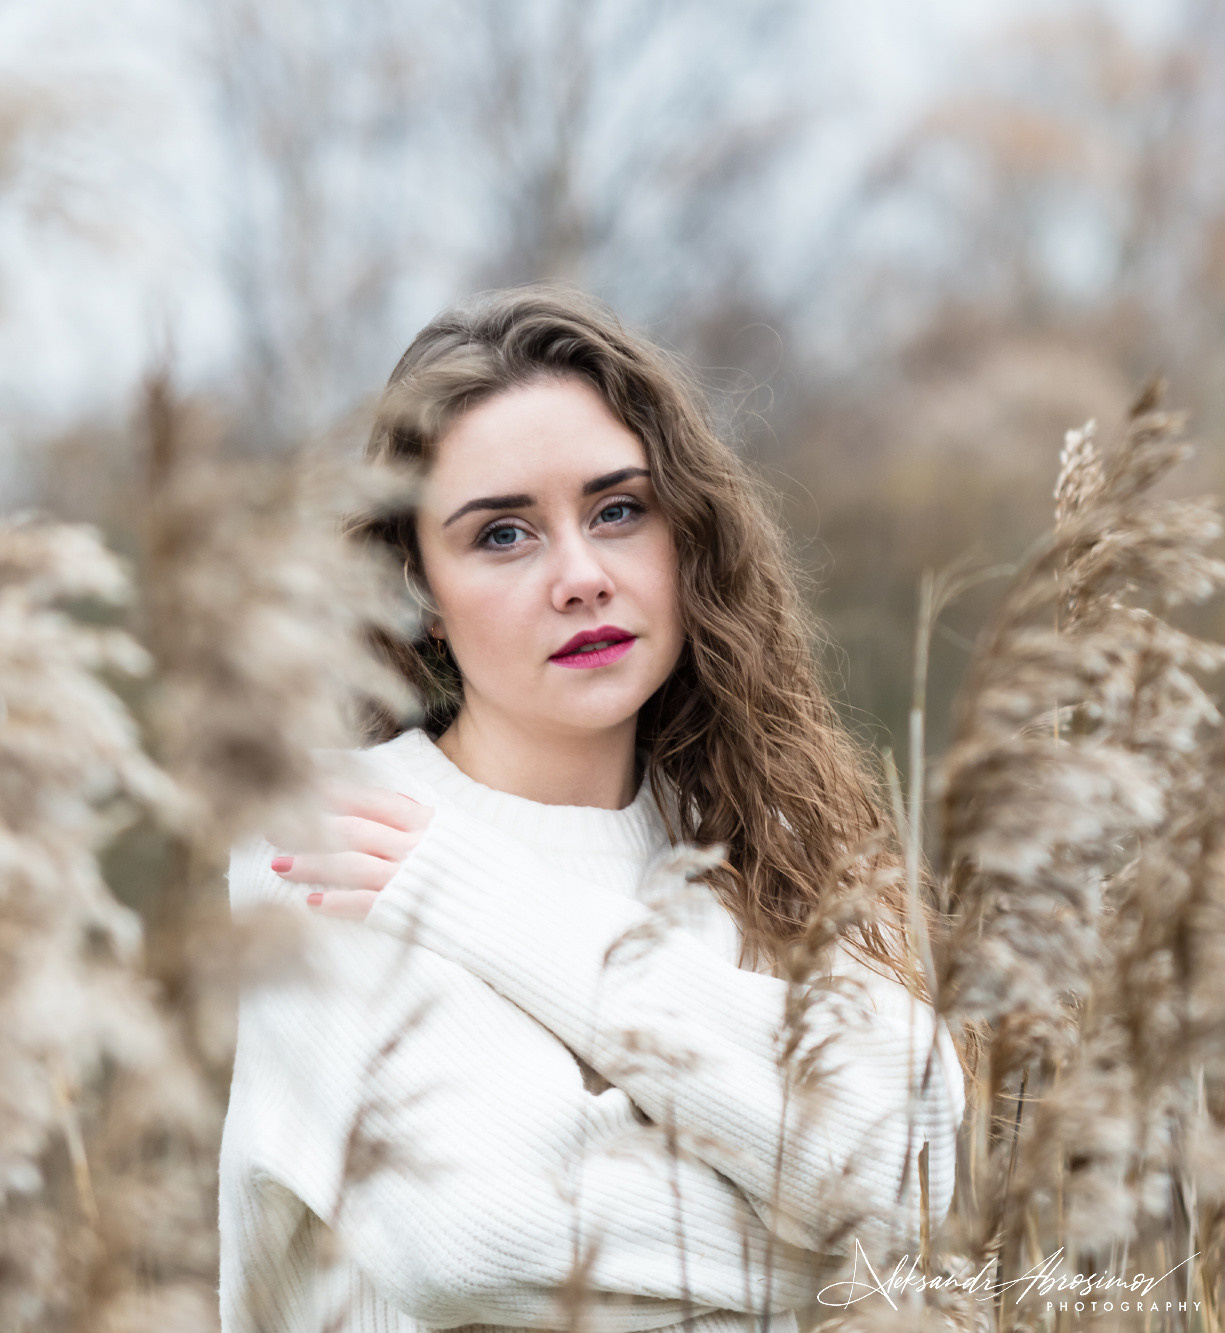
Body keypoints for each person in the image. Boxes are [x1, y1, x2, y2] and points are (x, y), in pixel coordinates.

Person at [217, 283, 964, 1333]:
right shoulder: (330, 844)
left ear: (683, 534)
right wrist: (814, 1241)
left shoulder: (776, 844)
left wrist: (479, 905)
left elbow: (916, 1165)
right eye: (503, 535)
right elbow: (485, 1235)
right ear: (417, 591)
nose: (580, 576)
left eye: (617, 510)